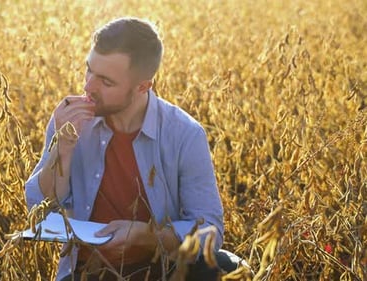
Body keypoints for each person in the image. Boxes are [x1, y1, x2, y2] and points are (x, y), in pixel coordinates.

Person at [25, 17, 230, 281]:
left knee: (229, 268)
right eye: (89, 70)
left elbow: (210, 232)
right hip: (86, 273)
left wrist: (148, 237)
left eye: (106, 82)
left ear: (143, 86)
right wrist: (62, 147)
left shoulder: (184, 134)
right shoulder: (70, 120)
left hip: (162, 274)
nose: (88, 87)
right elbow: (39, 209)